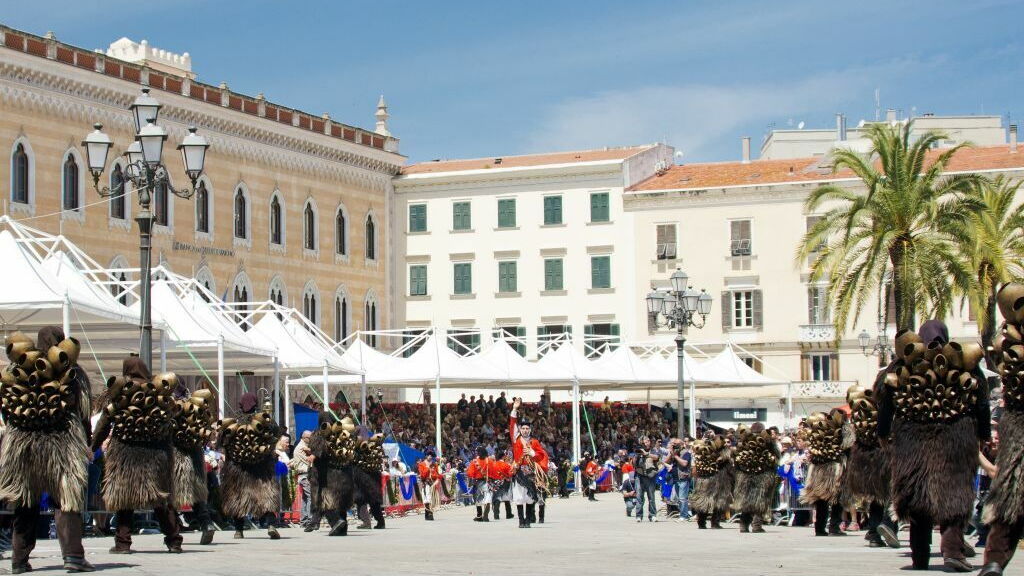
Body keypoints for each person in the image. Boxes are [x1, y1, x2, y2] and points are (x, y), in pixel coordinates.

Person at [877, 321, 990, 572]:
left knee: (918, 498)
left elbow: (885, 400)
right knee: (953, 495)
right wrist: (983, 434)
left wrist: (883, 432)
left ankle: (920, 557)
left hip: (912, 439)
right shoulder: (962, 361)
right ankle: (952, 552)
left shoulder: (901, 364)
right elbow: (981, 401)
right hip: (955, 437)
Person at [0, 328, 94, 572]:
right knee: (65, 499)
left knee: (26, 500)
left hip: (22, 443)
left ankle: (19, 560)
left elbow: (7, 408)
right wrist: (87, 440)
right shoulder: (73, 371)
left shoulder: (15, 369)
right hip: (62, 440)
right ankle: (73, 556)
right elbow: (84, 412)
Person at [91, 356, 181, 554]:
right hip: (157, 453)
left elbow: (105, 420)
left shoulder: (120, 390)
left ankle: (123, 544)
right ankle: (173, 540)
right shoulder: (159, 391)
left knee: (124, 498)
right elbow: (171, 423)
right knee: (160, 498)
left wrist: (93, 445)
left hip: (125, 452)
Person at [219, 392, 284, 540]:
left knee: (239, 498)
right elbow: (275, 434)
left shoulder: (235, 419)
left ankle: (238, 530)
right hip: (261, 466)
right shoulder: (264, 419)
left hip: (238, 467)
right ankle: (271, 524)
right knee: (266, 495)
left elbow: (223, 441)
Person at [844, 384, 899, 549]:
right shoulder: (883, 409)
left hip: (867, 458)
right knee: (890, 494)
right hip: (884, 456)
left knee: (877, 497)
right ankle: (887, 525)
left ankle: (875, 533)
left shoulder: (858, 415)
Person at [170, 386, 217, 546]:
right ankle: (206, 523)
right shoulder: (198, 407)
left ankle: (173, 530)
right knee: (196, 493)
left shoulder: (172, 405)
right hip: (196, 454)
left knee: (172, 492)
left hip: (176, 454)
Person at [800, 410, 852, 537]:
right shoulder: (843, 429)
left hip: (817, 468)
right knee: (836, 498)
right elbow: (848, 446)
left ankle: (820, 528)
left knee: (820, 499)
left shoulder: (818, 429)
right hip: (836, 467)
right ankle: (834, 527)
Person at [306, 412, 356, 536]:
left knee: (326, 501)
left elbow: (320, 450)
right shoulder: (341, 432)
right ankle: (342, 529)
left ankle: (336, 523)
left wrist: (312, 454)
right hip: (343, 473)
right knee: (341, 502)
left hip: (326, 475)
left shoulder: (320, 433)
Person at [732, 423, 780, 534]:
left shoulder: (743, 442)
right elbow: (776, 458)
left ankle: (744, 525)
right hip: (764, 475)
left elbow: (736, 460)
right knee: (761, 500)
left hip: (745, 475)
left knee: (747, 501)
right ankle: (756, 525)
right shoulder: (768, 442)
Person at [509, 398, 550, 528]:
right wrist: (515, 409)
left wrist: (533, 453)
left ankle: (528, 520)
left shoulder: (535, 442)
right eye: (523, 428)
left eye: (527, 428)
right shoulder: (516, 439)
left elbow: (541, 456)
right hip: (519, 470)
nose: (525, 430)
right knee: (520, 496)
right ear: (520, 429)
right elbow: (512, 423)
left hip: (531, 471)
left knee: (530, 496)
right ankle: (521, 521)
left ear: (530, 430)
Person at [689, 435, 734, 529]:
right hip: (717, 479)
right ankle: (713, 522)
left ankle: (704, 522)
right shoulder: (717, 452)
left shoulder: (708, 451)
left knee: (706, 501)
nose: (725, 443)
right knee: (716, 502)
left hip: (707, 479)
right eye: (723, 442)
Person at [634, 437, 660, 522]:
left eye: (648, 441)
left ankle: (652, 515)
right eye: (644, 442)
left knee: (651, 497)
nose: (646, 443)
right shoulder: (639, 450)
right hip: (639, 475)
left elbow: (656, 457)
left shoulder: (653, 450)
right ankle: (639, 515)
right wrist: (637, 455)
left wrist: (646, 454)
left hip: (650, 476)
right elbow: (633, 464)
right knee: (639, 496)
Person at [466, 447, 495, 521]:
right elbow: (494, 470)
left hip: (478, 482)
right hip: (488, 481)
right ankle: (486, 514)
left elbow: (470, 473)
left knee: (478, 498)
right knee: (487, 496)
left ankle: (479, 516)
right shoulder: (489, 461)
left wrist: (471, 480)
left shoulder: (474, 461)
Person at [291, 430, 313, 528]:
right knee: (310, 497)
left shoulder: (303, 447)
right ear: (304, 438)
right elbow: (309, 461)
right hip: (304, 475)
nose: (311, 440)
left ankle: (304, 520)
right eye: (310, 438)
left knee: (305, 498)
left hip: (303, 475)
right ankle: (309, 519)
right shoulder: (300, 448)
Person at [417, 454, 442, 521]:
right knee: (426, 499)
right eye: (429, 455)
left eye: (431, 456)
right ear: (426, 456)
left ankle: (430, 514)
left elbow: (437, 474)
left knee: (431, 499)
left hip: (432, 484)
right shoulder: (421, 464)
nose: (430, 457)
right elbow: (422, 475)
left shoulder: (434, 464)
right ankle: (427, 514)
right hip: (426, 484)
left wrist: (438, 479)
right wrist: (428, 468)